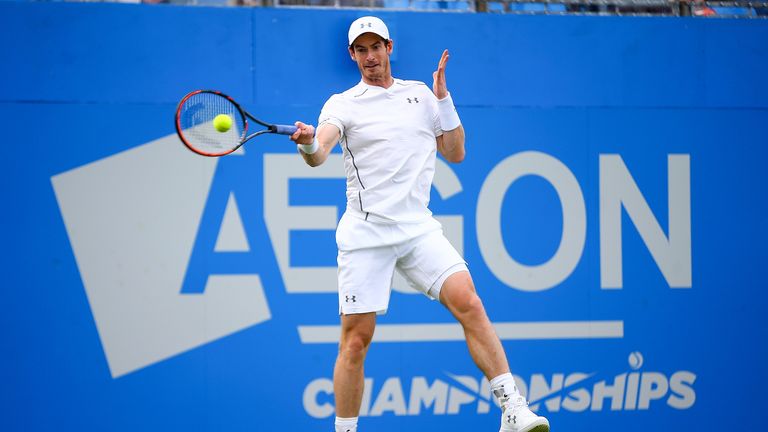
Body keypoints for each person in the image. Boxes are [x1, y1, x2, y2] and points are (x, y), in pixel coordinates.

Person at [289, 16, 550, 432]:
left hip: (417, 230)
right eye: (362, 49)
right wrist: (307, 145)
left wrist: (444, 99)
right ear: (352, 55)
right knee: (356, 341)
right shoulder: (342, 104)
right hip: (366, 234)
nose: (370, 56)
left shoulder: (422, 97)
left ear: (389, 48)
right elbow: (321, 150)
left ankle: (513, 409)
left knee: (470, 303)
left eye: (376, 47)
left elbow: (456, 152)